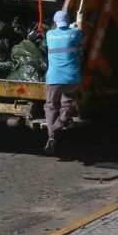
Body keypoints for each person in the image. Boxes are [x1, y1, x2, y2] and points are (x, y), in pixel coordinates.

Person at [44, 10, 84, 155]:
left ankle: (51, 135)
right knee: (67, 102)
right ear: (68, 22)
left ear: (55, 23)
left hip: (54, 78)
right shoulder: (74, 33)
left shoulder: (49, 35)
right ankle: (61, 122)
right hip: (71, 78)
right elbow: (81, 34)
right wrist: (80, 20)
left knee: (51, 106)